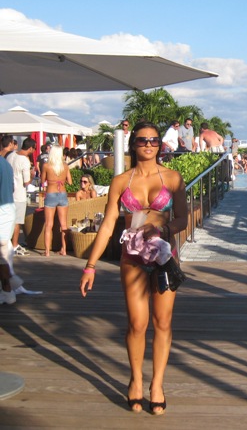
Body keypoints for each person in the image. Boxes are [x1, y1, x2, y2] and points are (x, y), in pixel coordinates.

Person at [79, 121, 187, 415]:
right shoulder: (121, 181)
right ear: (133, 144)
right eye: (142, 140)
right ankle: (136, 379)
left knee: (163, 323)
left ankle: (157, 384)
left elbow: (182, 218)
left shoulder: (172, 178)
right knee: (137, 324)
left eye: (154, 140)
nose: (149, 145)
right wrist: (90, 266)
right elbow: (107, 225)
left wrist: (162, 229)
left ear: (160, 145)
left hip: (164, 257)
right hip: (132, 258)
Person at [41, 145, 73, 256]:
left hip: (51, 193)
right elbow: (70, 182)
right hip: (62, 194)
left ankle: (47, 251)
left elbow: (42, 181)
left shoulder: (46, 166)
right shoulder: (65, 166)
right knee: (63, 225)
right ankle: (64, 249)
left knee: (48, 224)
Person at [6, 137, 36, 256]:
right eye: (34, 149)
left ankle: (7, 243)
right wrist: (32, 175)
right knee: (17, 221)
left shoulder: (10, 156)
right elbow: (26, 182)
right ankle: (14, 245)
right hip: (19, 194)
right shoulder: (24, 161)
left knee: (8, 220)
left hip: (8, 193)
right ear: (30, 148)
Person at [0, 154, 16, 304]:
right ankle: (8, 290)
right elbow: (12, 188)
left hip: (2, 213)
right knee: (2, 257)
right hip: (8, 212)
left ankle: (8, 290)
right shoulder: (6, 164)